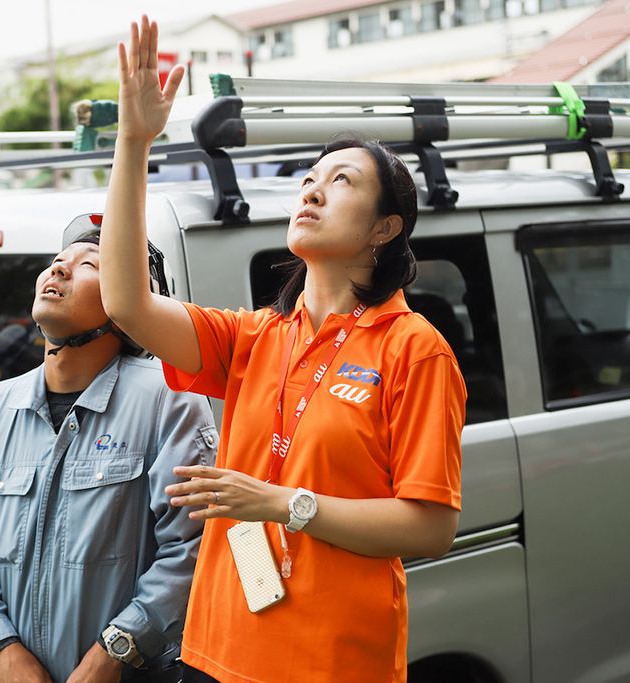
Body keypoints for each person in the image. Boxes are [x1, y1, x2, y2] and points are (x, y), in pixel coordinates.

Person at [97, 17, 467, 683]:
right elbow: (125, 301)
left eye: (342, 180)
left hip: (330, 662)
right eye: (308, 177)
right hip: (217, 652)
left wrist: (280, 502)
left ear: (384, 227)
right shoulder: (256, 336)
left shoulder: (415, 348)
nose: (312, 188)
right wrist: (133, 141)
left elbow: (429, 527)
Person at [0, 226, 217, 683]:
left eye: (88, 264)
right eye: (58, 259)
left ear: (127, 304)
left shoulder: (170, 399)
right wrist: (4, 651)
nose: (59, 267)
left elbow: (193, 547)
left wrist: (114, 650)